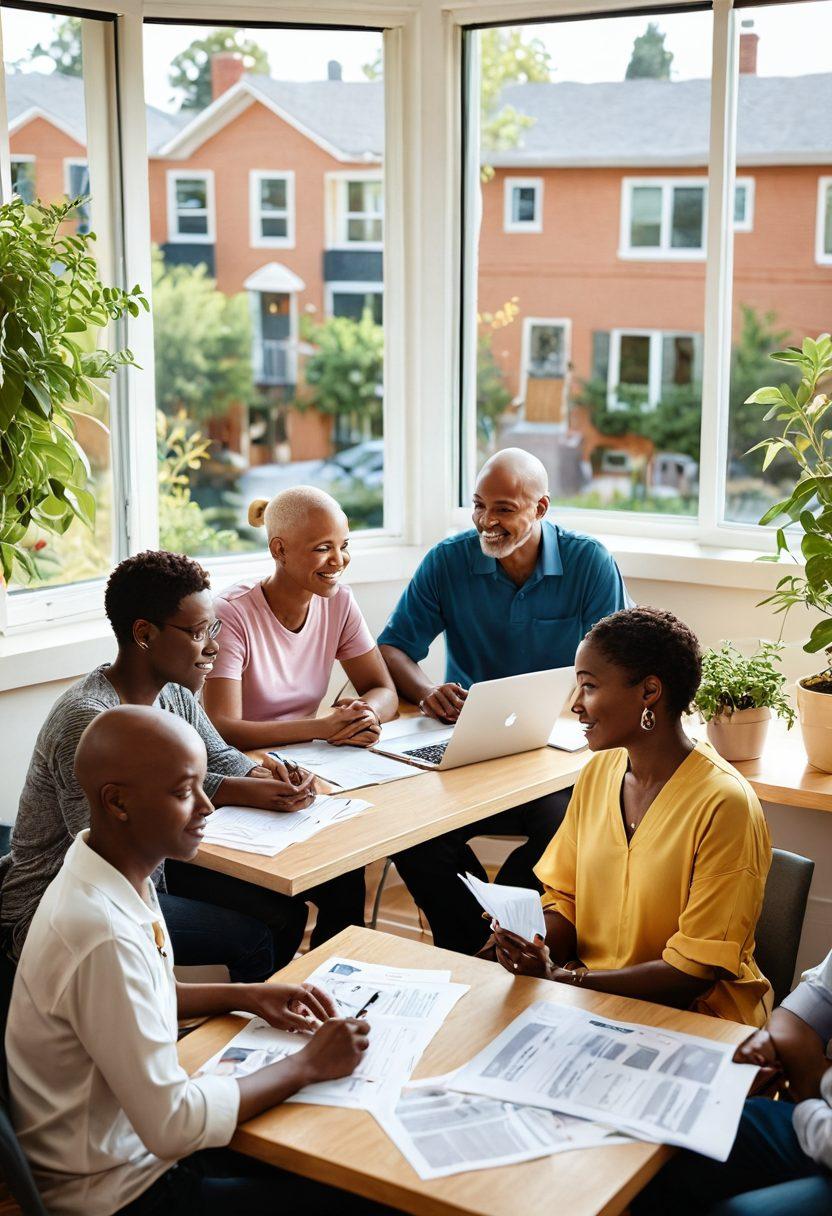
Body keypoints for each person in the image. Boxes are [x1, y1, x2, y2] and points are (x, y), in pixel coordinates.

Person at [5, 705, 398, 1216]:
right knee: (365, 1189)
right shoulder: (100, 932)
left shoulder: (111, 875)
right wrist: (307, 1064)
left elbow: (139, 998)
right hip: (125, 1193)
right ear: (117, 802)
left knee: (328, 1142)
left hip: (137, 1151)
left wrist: (247, 995)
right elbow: (173, 1125)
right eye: (183, 791)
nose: (207, 808)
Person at [0, 551, 358, 978]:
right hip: (63, 903)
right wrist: (239, 792)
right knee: (255, 936)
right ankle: (236, 1031)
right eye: (198, 633)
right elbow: (107, 857)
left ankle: (279, 1014)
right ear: (144, 634)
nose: (213, 646)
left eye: (214, 629)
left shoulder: (174, 691)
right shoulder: (92, 721)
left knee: (287, 910)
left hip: (152, 866)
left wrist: (267, 778)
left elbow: (219, 758)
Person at [377, 448, 629, 954]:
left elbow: (617, 666)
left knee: (565, 829)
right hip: (469, 753)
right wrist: (427, 690)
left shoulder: (589, 562)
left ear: (541, 508)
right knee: (408, 832)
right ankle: (478, 940)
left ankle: (497, 931)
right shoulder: (448, 561)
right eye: (478, 506)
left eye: (504, 509)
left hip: (553, 758)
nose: (487, 522)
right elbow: (394, 648)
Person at [491, 607, 772, 1026]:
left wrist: (565, 979)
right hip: (592, 1003)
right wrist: (533, 944)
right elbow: (565, 900)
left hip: (698, 1019)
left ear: (649, 692)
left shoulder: (724, 804)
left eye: (588, 686)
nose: (576, 705)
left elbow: (691, 972)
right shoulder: (598, 773)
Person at [633, 949, 832, 1215]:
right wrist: (777, 1041)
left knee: (737, 1211)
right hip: (820, 1120)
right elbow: (802, 1011)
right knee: (679, 1148)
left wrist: (807, 1099)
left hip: (820, 1126)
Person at [203, 486, 397, 752]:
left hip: (307, 759)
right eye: (323, 548)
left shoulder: (339, 602)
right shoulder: (230, 613)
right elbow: (221, 727)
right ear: (279, 550)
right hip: (242, 765)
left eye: (344, 546)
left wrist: (366, 715)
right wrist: (322, 728)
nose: (339, 560)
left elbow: (383, 690)